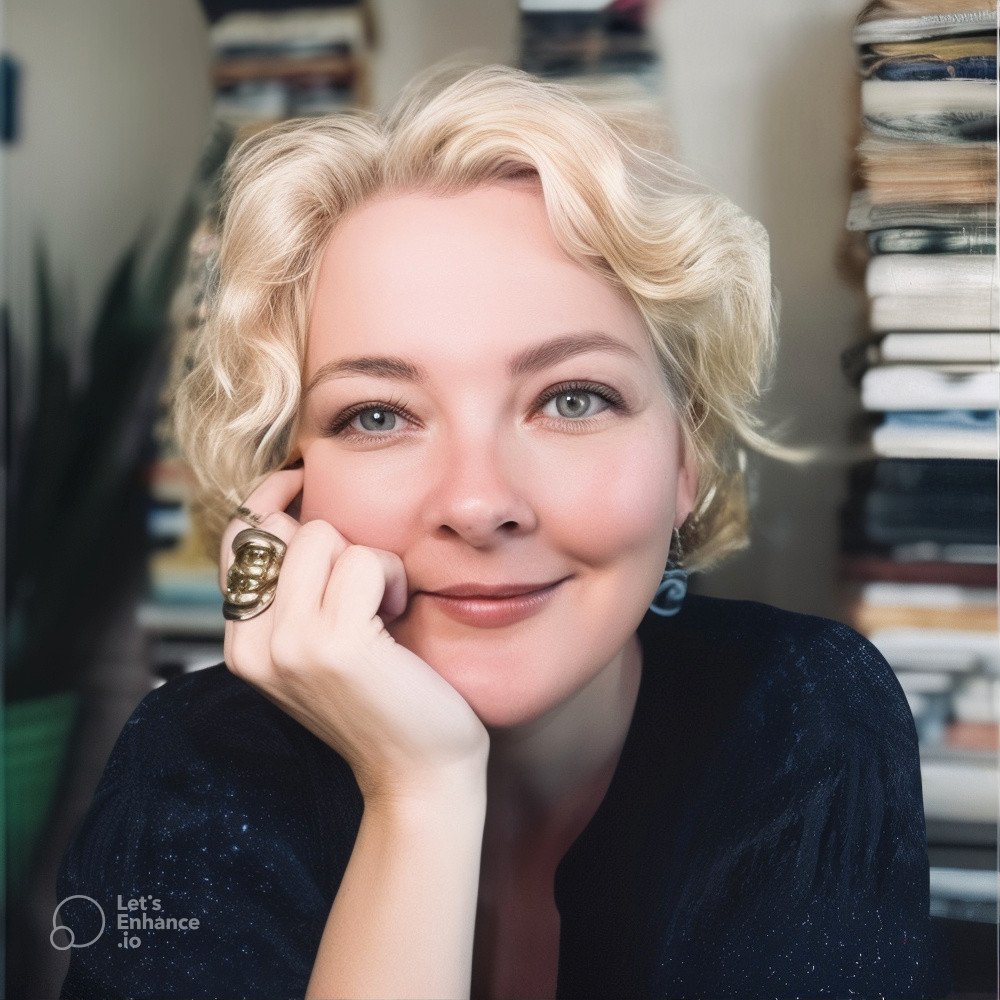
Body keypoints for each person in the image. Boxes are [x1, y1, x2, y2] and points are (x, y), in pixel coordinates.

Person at [55, 63, 951, 1000]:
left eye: (573, 398)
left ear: (686, 461)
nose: (479, 504)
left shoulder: (803, 712)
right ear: (288, 488)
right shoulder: (191, 766)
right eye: (377, 415)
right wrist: (421, 793)